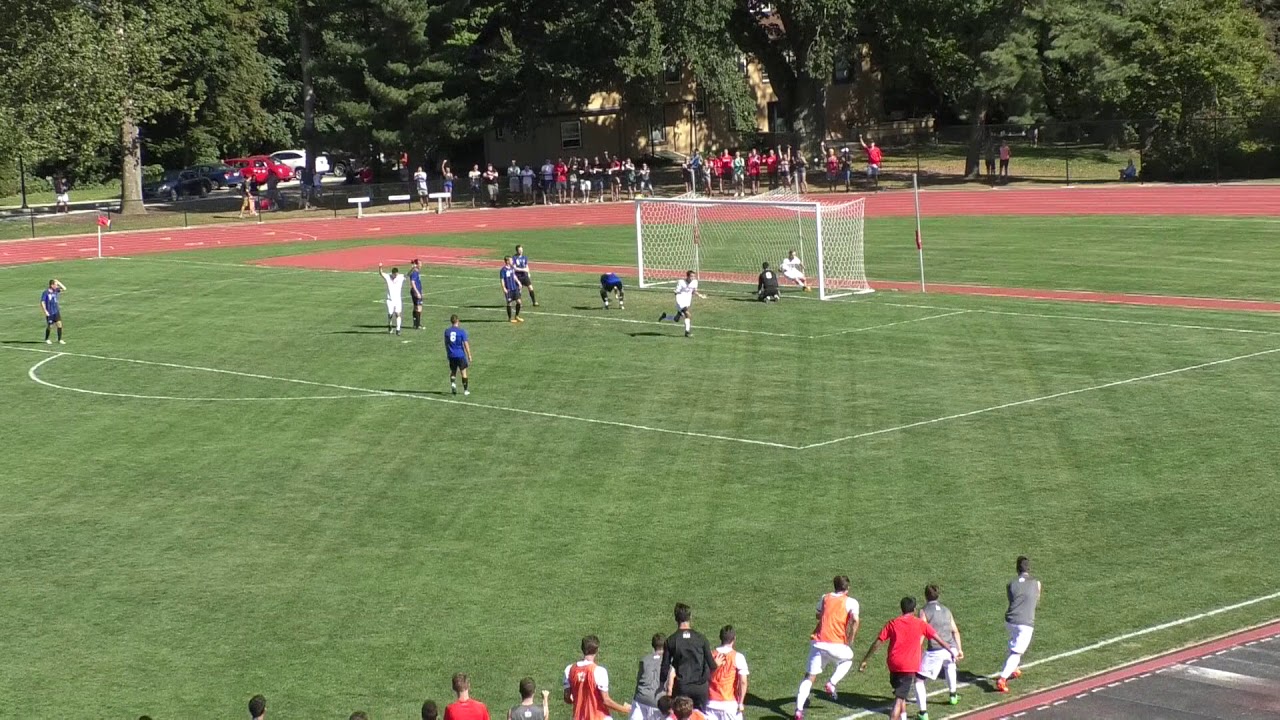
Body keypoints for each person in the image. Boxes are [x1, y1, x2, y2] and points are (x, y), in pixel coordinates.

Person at [857, 597, 957, 720]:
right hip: (908, 666)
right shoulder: (920, 624)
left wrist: (865, 659)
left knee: (900, 693)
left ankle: (903, 717)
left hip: (893, 665)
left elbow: (878, 642)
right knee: (899, 700)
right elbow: (939, 639)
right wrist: (951, 651)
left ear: (901, 609)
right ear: (914, 609)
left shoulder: (893, 623)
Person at [794, 575, 860, 720]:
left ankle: (798, 710)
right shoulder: (851, 602)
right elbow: (855, 620)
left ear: (834, 586)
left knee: (809, 677)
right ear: (847, 588)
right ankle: (831, 683)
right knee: (848, 659)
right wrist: (851, 638)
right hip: (836, 643)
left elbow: (818, 615)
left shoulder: (825, 597)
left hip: (818, 642)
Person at [914, 584, 964, 715]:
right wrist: (959, 649)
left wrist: (916, 649)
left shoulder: (923, 611)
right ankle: (953, 695)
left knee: (919, 679)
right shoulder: (946, 610)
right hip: (951, 648)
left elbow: (922, 632)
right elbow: (955, 631)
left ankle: (923, 713)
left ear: (925, 596)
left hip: (935, 650)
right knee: (950, 666)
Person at [996, 556, 1042, 693]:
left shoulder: (1010, 584)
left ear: (1017, 569)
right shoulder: (1036, 583)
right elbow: (1036, 600)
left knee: (1015, 643)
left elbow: (1012, 601)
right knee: (1017, 652)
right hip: (1025, 623)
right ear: (1029, 568)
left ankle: (1013, 668)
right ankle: (1002, 679)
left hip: (1010, 620)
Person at [659, 603, 717, 709]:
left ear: (676, 618)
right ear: (690, 617)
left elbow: (665, 667)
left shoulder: (671, 640)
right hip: (701, 688)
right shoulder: (701, 638)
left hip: (682, 687)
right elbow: (712, 665)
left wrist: (662, 683)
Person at [564, 635, 633, 720]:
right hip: (599, 717)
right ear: (597, 650)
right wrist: (624, 709)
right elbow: (606, 700)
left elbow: (567, 698)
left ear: (582, 648)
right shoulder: (599, 671)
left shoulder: (569, 669)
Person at [707, 626, 748, 720]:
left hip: (710, 703)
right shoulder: (738, 657)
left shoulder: (710, 655)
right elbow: (743, 682)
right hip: (729, 703)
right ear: (734, 638)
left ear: (720, 637)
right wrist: (741, 702)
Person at [657, 272, 706, 338]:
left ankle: (665, 316)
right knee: (688, 315)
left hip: (687, 302)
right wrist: (676, 292)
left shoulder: (695, 282)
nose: (693, 278)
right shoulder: (681, 282)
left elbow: (693, 291)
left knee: (676, 319)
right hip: (680, 301)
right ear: (687, 276)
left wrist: (700, 295)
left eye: (694, 276)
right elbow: (677, 292)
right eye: (691, 276)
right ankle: (687, 332)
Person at [631, 634, 665, 720]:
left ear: (653, 645)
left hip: (640, 699)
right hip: (658, 703)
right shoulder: (668, 662)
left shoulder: (644, 660)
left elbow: (638, 680)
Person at [443, 314, 472, 395]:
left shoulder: (447, 331)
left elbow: (446, 343)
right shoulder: (461, 332)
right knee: (464, 372)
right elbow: (466, 344)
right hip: (460, 355)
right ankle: (465, 390)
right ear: (458, 321)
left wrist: (448, 353)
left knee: (453, 371)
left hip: (451, 355)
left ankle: (453, 383)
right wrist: (469, 355)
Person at [378, 262, 405, 335]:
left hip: (398, 300)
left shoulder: (400, 277)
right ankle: (390, 325)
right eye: (394, 275)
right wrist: (380, 267)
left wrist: (413, 268)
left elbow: (408, 275)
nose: (395, 276)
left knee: (398, 314)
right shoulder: (388, 277)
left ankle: (398, 329)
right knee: (390, 314)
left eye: (396, 274)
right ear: (392, 273)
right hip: (390, 300)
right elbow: (381, 273)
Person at [41, 278, 67, 345]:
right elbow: (42, 302)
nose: (57, 286)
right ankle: (47, 339)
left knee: (59, 325)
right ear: (52, 285)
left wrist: (58, 282)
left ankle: (60, 339)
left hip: (56, 311)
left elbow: (64, 288)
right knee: (50, 326)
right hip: (50, 312)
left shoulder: (56, 290)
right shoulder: (46, 292)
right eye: (56, 285)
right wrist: (45, 311)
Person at [501, 256, 525, 323]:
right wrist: (504, 288)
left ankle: (516, 316)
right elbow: (502, 280)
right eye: (511, 260)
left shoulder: (512, 268)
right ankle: (509, 318)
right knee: (509, 303)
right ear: (507, 261)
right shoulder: (503, 270)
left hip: (514, 288)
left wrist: (518, 282)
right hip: (508, 290)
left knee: (519, 302)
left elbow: (514, 276)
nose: (512, 261)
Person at [409, 259, 424, 329]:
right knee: (419, 308)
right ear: (417, 264)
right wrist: (417, 292)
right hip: (416, 292)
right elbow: (412, 282)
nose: (421, 265)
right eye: (420, 264)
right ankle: (417, 325)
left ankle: (415, 324)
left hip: (417, 291)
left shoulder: (416, 271)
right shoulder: (415, 272)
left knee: (416, 307)